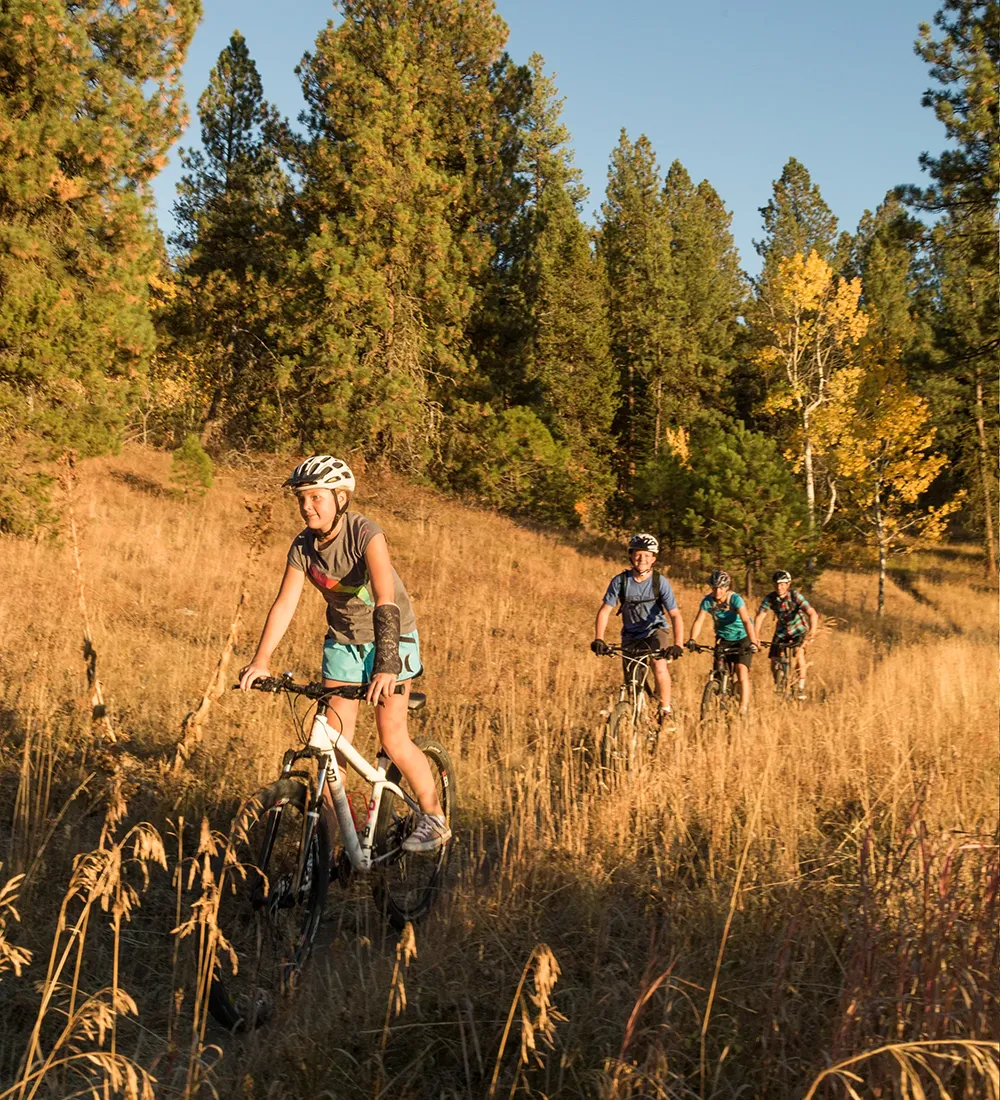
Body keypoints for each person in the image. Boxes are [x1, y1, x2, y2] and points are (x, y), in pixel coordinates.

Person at [238, 455, 450, 853]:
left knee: (392, 736)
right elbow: (285, 603)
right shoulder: (303, 546)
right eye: (301, 499)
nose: (307, 507)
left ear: (340, 497)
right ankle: (335, 849)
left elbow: (385, 598)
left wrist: (386, 666)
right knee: (332, 748)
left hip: (392, 637)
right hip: (343, 642)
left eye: (316, 497)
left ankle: (434, 817)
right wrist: (260, 660)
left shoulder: (365, 534)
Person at [590, 533, 685, 733]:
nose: (642, 559)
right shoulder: (620, 581)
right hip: (631, 636)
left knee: (659, 665)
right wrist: (598, 638)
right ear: (631, 556)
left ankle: (666, 711)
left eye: (647, 555)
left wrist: (678, 644)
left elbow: (675, 615)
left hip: (655, 631)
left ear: (654, 559)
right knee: (632, 682)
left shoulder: (660, 582)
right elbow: (605, 610)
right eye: (638, 554)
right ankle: (640, 719)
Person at [685, 569, 761, 713]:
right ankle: (717, 700)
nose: (717, 591)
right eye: (714, 587)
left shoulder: (735, 599)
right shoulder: (708, 601)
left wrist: (753, 642)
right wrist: (692, 639)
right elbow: (698, 621)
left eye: (721, 588)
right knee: (719, 672)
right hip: (723, 638)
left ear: (727, 588)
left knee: (741, 670)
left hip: (742, 637)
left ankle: (743, 708)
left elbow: (746, 621)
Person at [753, 569, 820, 699]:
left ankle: (800, 686)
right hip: (782, 632)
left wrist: (812, 632)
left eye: (783, 584)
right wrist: (755, 637)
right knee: (773, 661)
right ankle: (779, 685)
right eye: (777, 584)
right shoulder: (770, 598)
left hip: (798, 629)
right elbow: (760, 617)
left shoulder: (795, 596)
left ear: (788, 584)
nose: (779, 587)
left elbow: (812, 614)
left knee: (798, 652)